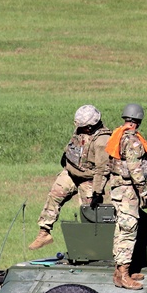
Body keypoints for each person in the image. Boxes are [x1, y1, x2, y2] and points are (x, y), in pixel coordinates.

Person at [28, 105, 113, 251]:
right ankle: (44, 233)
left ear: (91, 126)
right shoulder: (81, 130)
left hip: (89, 179)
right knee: (54, 196)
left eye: (83, 126)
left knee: (90, 213)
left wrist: (97, 192)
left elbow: (102, 170)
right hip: (71, 173)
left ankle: (94, 246)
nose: (79, 129)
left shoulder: (102, 140)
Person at [103, 103, 147, 290]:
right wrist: (143, 191)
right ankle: (125, 275)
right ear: (138, 121)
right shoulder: (132, 141)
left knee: (121, 229)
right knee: (128, 230)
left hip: (119, 189)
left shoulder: (117, 135)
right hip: (128, 191)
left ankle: (119, 272)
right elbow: (135, 169)